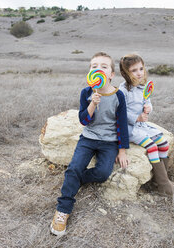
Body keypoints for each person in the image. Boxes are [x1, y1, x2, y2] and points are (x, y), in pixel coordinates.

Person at [50, 52, 130, 236]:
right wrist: (92, 104)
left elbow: (122, 124)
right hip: (88, 137)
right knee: (75, 166)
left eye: (103, 66)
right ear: (89, 72)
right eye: (94, 66)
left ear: (111, 74)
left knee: (102, 174)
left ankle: (76, 178)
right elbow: (84, 121)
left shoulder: (118, 96)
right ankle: (63, 209)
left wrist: (123, 150)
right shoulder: (87, 92)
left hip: (109, 142)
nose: (98, 69)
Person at [118, 53, 174, 196]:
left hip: (142, 127)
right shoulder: (123, 91)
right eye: (134, 70)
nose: (139, 73)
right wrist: (137, 117)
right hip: (130, 128)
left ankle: (159, 181)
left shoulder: (142, 87)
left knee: (163, 143)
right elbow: (120, 113)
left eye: (141, 69)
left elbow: (147, 101)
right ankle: (164, 186)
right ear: (125, 73)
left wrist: (148, 108)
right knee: (152, 146)